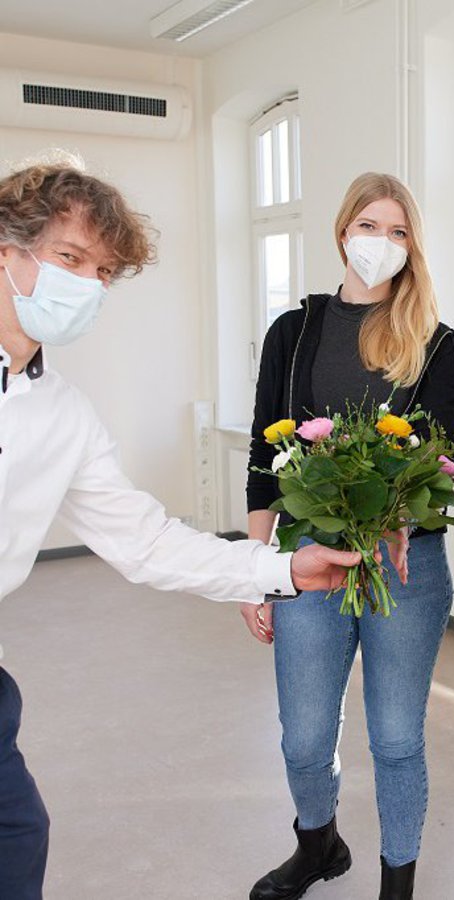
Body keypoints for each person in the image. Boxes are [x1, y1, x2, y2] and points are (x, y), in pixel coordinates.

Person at [0, 158, 365, 900]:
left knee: (17, 835)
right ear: (7, 249)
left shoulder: (63, 414)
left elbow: (147, 541)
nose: (87, 284)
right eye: (70, 258)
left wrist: (281, 571)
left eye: (102, 271)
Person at [243, 172, 454, 900]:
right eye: (369, 227)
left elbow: (434, 455)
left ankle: (396, 884)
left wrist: (395, 518)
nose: (382, 243)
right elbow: (261, 460)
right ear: (343, 232)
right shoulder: (294, 332)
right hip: (309, 559)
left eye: (398, 232)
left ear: (413, 246)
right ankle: (318, 845)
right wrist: (256, 569)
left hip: (406, 565)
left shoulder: (433, 345)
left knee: (396, 739)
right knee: (305, 737)